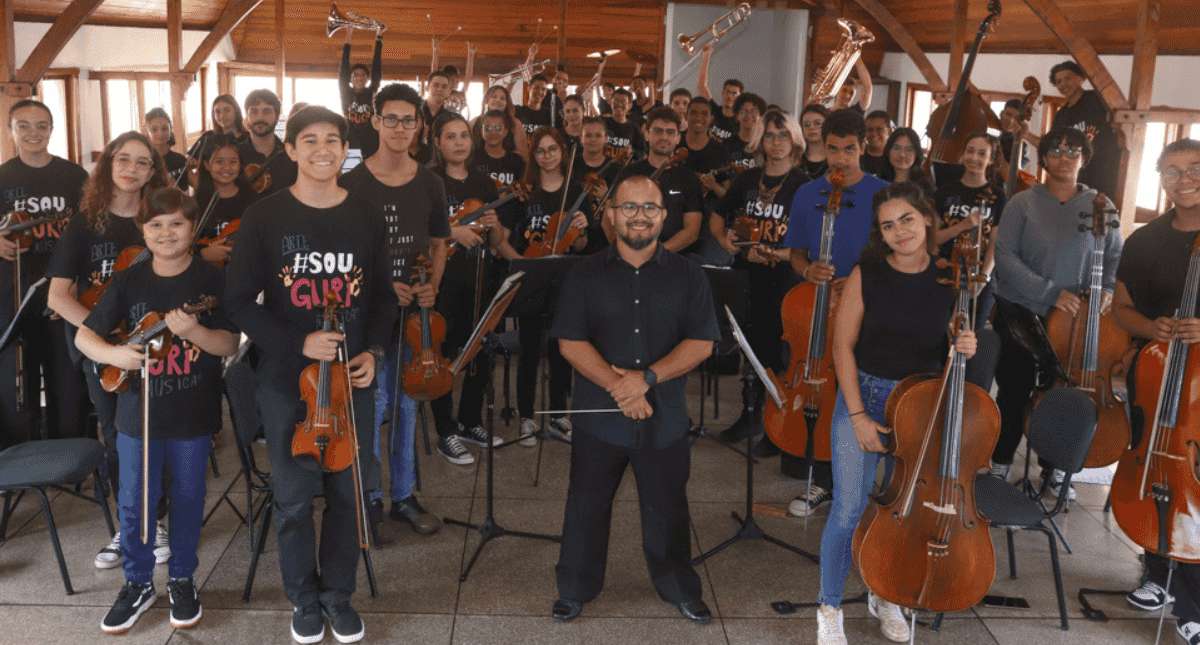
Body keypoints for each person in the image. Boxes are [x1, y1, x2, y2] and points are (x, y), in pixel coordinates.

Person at [224, 106, 398, 644]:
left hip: (351, 382)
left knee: (350, 492)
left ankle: (337, 597)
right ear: (292, 150)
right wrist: (296, 341)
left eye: (332, 140)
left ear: (345, 149)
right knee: (294, 495)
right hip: (284, 380)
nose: (322, 149)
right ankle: (302, 598)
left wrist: (374, 351)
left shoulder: (367, 214)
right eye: (309, 140)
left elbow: (384, 300)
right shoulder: (265, 215)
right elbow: (238, 303)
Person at [548, 173, 720, 625]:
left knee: (667, 509)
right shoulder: (583, 273)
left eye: (649, 208)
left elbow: (702, 343)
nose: (639, 216)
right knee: (586, 505)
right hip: (599, 417)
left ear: (664, 216)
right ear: (611, 215)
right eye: (628, 207)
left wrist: (645, 379)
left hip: (663, 417)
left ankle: (679, 588)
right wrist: (619, 387)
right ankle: (575, 588)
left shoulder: (689, 274)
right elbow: (570, 342)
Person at [814, 181, 976, 645]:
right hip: (864, 394)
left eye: (907, 219)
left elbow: (955, 336)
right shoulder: (869, 270)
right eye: (888, 225)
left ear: (928, 218)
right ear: (879, 234)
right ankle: (828, 607)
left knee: (903, 509)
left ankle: (885, 593)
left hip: (922, 404)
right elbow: (842, 346)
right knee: (848, 509)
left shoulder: (951, 275)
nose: (899, 231)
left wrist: (967, 342)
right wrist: (860, 416)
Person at [79, 187, 238, 635]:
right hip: (135, 416)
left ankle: (183, 578)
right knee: (134, 504)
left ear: (192, 228)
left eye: (176, 223)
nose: (166, 233)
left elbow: (229, 342)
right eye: (155, 224)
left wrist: (197, 334)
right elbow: (84, 336)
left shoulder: (213, 281)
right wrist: (115, 356)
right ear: (142, 230)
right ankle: (137, 582)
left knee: (188, 501)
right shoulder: (129, 280)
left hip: (192, 414)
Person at [45, 131, 169, 570]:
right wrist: (103, 336)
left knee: (159, 431)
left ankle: (155, 521)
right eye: (124, 160)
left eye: (143, 162)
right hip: (100, 348)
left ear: (154, 172)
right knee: (118, 436)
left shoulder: (160, 218)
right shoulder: (84, 224)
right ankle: (129, 523)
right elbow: (58, 296)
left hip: (153, 339)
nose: (133, 169)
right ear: (108, 166)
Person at [338, 84, 448, 536]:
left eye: (409, 120)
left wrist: (432, 287)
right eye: (392, 119)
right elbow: (342, 256)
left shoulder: (430, 182)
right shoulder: (352, 182)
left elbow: (439, 242)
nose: (400, 128)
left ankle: (403, 496)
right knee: (372, 405)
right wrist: (382, 288)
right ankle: (368, 496)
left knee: (405, 407)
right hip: (368, 319)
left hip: (414, 322)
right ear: (375, 121)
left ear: (419, 125)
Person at [991, 127, 1122, 493]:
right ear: (1045, 158)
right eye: (1057, 151)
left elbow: (1113, 256)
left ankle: (1056, 465)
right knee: (1015, 391)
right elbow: (1005, 257)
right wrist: (1049, 293)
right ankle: (1001, 462)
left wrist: (1108, 288)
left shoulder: (1102, 205)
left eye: (1073, 151)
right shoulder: (1022, 202)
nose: (1065, 157)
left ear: (1083, 159)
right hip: (1020, 311)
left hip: (1073, 320)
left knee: (1064, 392)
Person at [1110, 138, 1200, 644]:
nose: (1183, 180)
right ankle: (1158, 569)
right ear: (1160, 179)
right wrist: (1151, 326)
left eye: (1193, 170)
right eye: (1171, 172)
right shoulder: (1144, 240)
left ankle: (1193, 600)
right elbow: (1123, 309)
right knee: (1156, 466)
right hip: (1155, 371)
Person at [781, 108, 889, 517]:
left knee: (860, 387)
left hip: (870, 304)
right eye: (832, 149)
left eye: (849, 149)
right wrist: (808, 269)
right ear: (820, 146)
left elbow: (894, 250)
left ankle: (860, 480)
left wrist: (860, 278)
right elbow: (795, 253)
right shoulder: (808, 193)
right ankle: (825, 479)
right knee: (823, 379)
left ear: (864, 147)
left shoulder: (883, 192)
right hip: (819, 304)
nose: (840, 159)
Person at [710, 109, 812, 458]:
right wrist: (725, 241)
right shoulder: (747, 179)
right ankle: (750, 416)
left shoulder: (804, 185)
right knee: (750, 350)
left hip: (783, 279)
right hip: (746, 276)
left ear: (795, 140)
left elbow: (811, 241)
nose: (776, 142)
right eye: (769, 135)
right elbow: (718, 216)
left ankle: (777, 426)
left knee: (778, 354)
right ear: (760, 141)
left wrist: (777, 254)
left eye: (783, 135)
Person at [490, 127, 589, 447]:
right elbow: (499, 239)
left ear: (563, 151)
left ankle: (560, 416)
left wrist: (583, 227)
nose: (547, 156)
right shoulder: (523, 191)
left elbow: (582, 244)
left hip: (566, 276)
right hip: (531, 274)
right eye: (540, 151)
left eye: (553, 149)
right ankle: (527, 418)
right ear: (533, 155)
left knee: (563, 348)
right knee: (530, 348)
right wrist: (522, 265)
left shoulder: (575, 191)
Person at [0, 99, 90, 447]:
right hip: (14, 295)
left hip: (63, 295)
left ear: (52, 130)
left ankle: (71, 457)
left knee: (66, 379)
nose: (32, 132)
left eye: (41, 125)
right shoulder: (3, 177)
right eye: (23, 125)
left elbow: (91, 228)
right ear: (11, 131)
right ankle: (18, 461)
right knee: (15, 380)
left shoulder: (73, 175)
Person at [429, 111, 508, 466]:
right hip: (443, 282)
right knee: (444, 355)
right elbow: (418, 230)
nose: (459, 142)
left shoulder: (485, 183)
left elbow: (496, 240)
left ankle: (469, 421)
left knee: (479, 353)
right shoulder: (429, 182)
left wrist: (493, 227)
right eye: (450, 136)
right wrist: (451, 231)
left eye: (464, 135)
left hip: (481, 278)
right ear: (437, 142)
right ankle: (445, 429)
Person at [934, 132, 1005, 330]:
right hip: (945, 270)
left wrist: (983, 278)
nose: (974, 158)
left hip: (980, 275)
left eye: (982, 154)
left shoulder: (998, 197)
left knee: (969, 342)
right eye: (970, 151)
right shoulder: (944, 193)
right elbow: (933, 239)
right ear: (963, 154)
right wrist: (961, 226)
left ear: (991, 160)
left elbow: (995, 243)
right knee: (937, 337)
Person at [617, 107, 703, 254]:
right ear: (646, 134)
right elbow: (611, 217)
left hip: (674, 258)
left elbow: (692, 231)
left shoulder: (690, 179)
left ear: (678, 139)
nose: (664, 137)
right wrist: (628, 252)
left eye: (670, 132)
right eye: (657, 131)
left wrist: (656, 253)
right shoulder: (629, 173)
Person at [1048, 60, 1120, 198]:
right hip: (1076, 182)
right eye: (1058, 81)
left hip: (1105, 177)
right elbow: (1050, 145)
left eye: (1068, 78)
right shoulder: (1061, 115)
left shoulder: (1099, 99)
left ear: (1081, 78)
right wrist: (1026, 134)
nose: (1063, 84)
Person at [193, 139, 256, 269]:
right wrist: (202, 253)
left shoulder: (253, 200)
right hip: (207, 272)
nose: (227, 167)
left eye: (233, 161)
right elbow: (185, 246)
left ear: (240, 165)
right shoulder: (195, 203)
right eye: (219, 161)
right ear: (207, 164)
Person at [239, 89, 298, 198]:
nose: (260, 117)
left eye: (267, 111)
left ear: (277, 117)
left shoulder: (292, 156)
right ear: (246, 117)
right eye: (254, 111)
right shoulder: (235, 156)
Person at [339, 26, 384, 158]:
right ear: (351, 79)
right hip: (350, 139)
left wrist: (378, 38)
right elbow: (343, 69)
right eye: (356, 75)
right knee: (352, 174)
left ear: (367, 78)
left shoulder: (371, 92)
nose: (359, 78)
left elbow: (377, 69)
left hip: (371, 142)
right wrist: (348, 38)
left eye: (363, 75)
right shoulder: (346, 91)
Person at [696, 43, 741, 146]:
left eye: (734, 94)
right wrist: (706, 55)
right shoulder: (714, 111)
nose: (730, 96)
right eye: (727, 92)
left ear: (739, 98)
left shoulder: (741, 121)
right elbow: (701, 86)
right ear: (722, 94)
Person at [473, 109, 527, 194]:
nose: (493, 132)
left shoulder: (517, 161)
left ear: (505, 132)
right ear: (482, 132)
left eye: (498, 128)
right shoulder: (472, 158)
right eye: (487, 128)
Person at [472, 84, 529, 159]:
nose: (498, 100)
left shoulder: (515, 123)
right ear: (487, 100)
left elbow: (523, 154)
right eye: (494, 96)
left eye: (502, 98)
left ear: (506, 104)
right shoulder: (475, 121)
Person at [878, 127, 935, 196]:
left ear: (916, 153)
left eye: (909, 149)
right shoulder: (876, 184)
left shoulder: (927, 190)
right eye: (897, 148)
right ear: (888, 150)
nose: (902, 154)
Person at [143, 108, 187, 188]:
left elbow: (185, 194)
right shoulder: (143, 161)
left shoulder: (180, 160)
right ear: (147, 132)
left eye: (164, 128)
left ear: (170, 129)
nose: (160, 133)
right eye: (154, 129)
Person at [725, 93, 766, 171]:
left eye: (754, 111)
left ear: (761, 116)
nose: (749, 115)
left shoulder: (766, 145)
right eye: (744, 111)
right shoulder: (726, 145)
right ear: (737, 115)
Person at [603, 89, 642, 157]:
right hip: (603, 166)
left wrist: (632, 151)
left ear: (629, 105)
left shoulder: (634, 128)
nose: (619, 104)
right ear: (610, 102)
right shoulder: (602, 124)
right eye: (616, 101)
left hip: (625, 167)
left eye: (624, 102)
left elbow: (642, 152)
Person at [799, 104, 831, 178]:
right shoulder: (795, 159)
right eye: (806, 124)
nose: (811, 127)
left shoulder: (838, 159)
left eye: (818, 123)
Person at [861, 111, 893, 177]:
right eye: (869, 129)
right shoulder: (857, 154)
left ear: (889, 130)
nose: (874, 133)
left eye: (879, 129)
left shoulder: (894, 157)